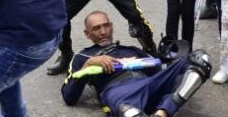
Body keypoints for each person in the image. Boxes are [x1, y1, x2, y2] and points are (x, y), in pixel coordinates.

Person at [61, 11, 213, 117]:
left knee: (200, 59)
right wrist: (88, 65)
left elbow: (158, 73)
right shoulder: (82, 56)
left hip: (146, 82)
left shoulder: (130, 49)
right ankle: (165, 109)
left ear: (112, 26)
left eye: (106, 26)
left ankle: (163, 113)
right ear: (87, 34)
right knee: (129, 112)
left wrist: (167, 57)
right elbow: (69, 97)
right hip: (118, 91)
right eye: (96, 28)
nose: (103, 32)